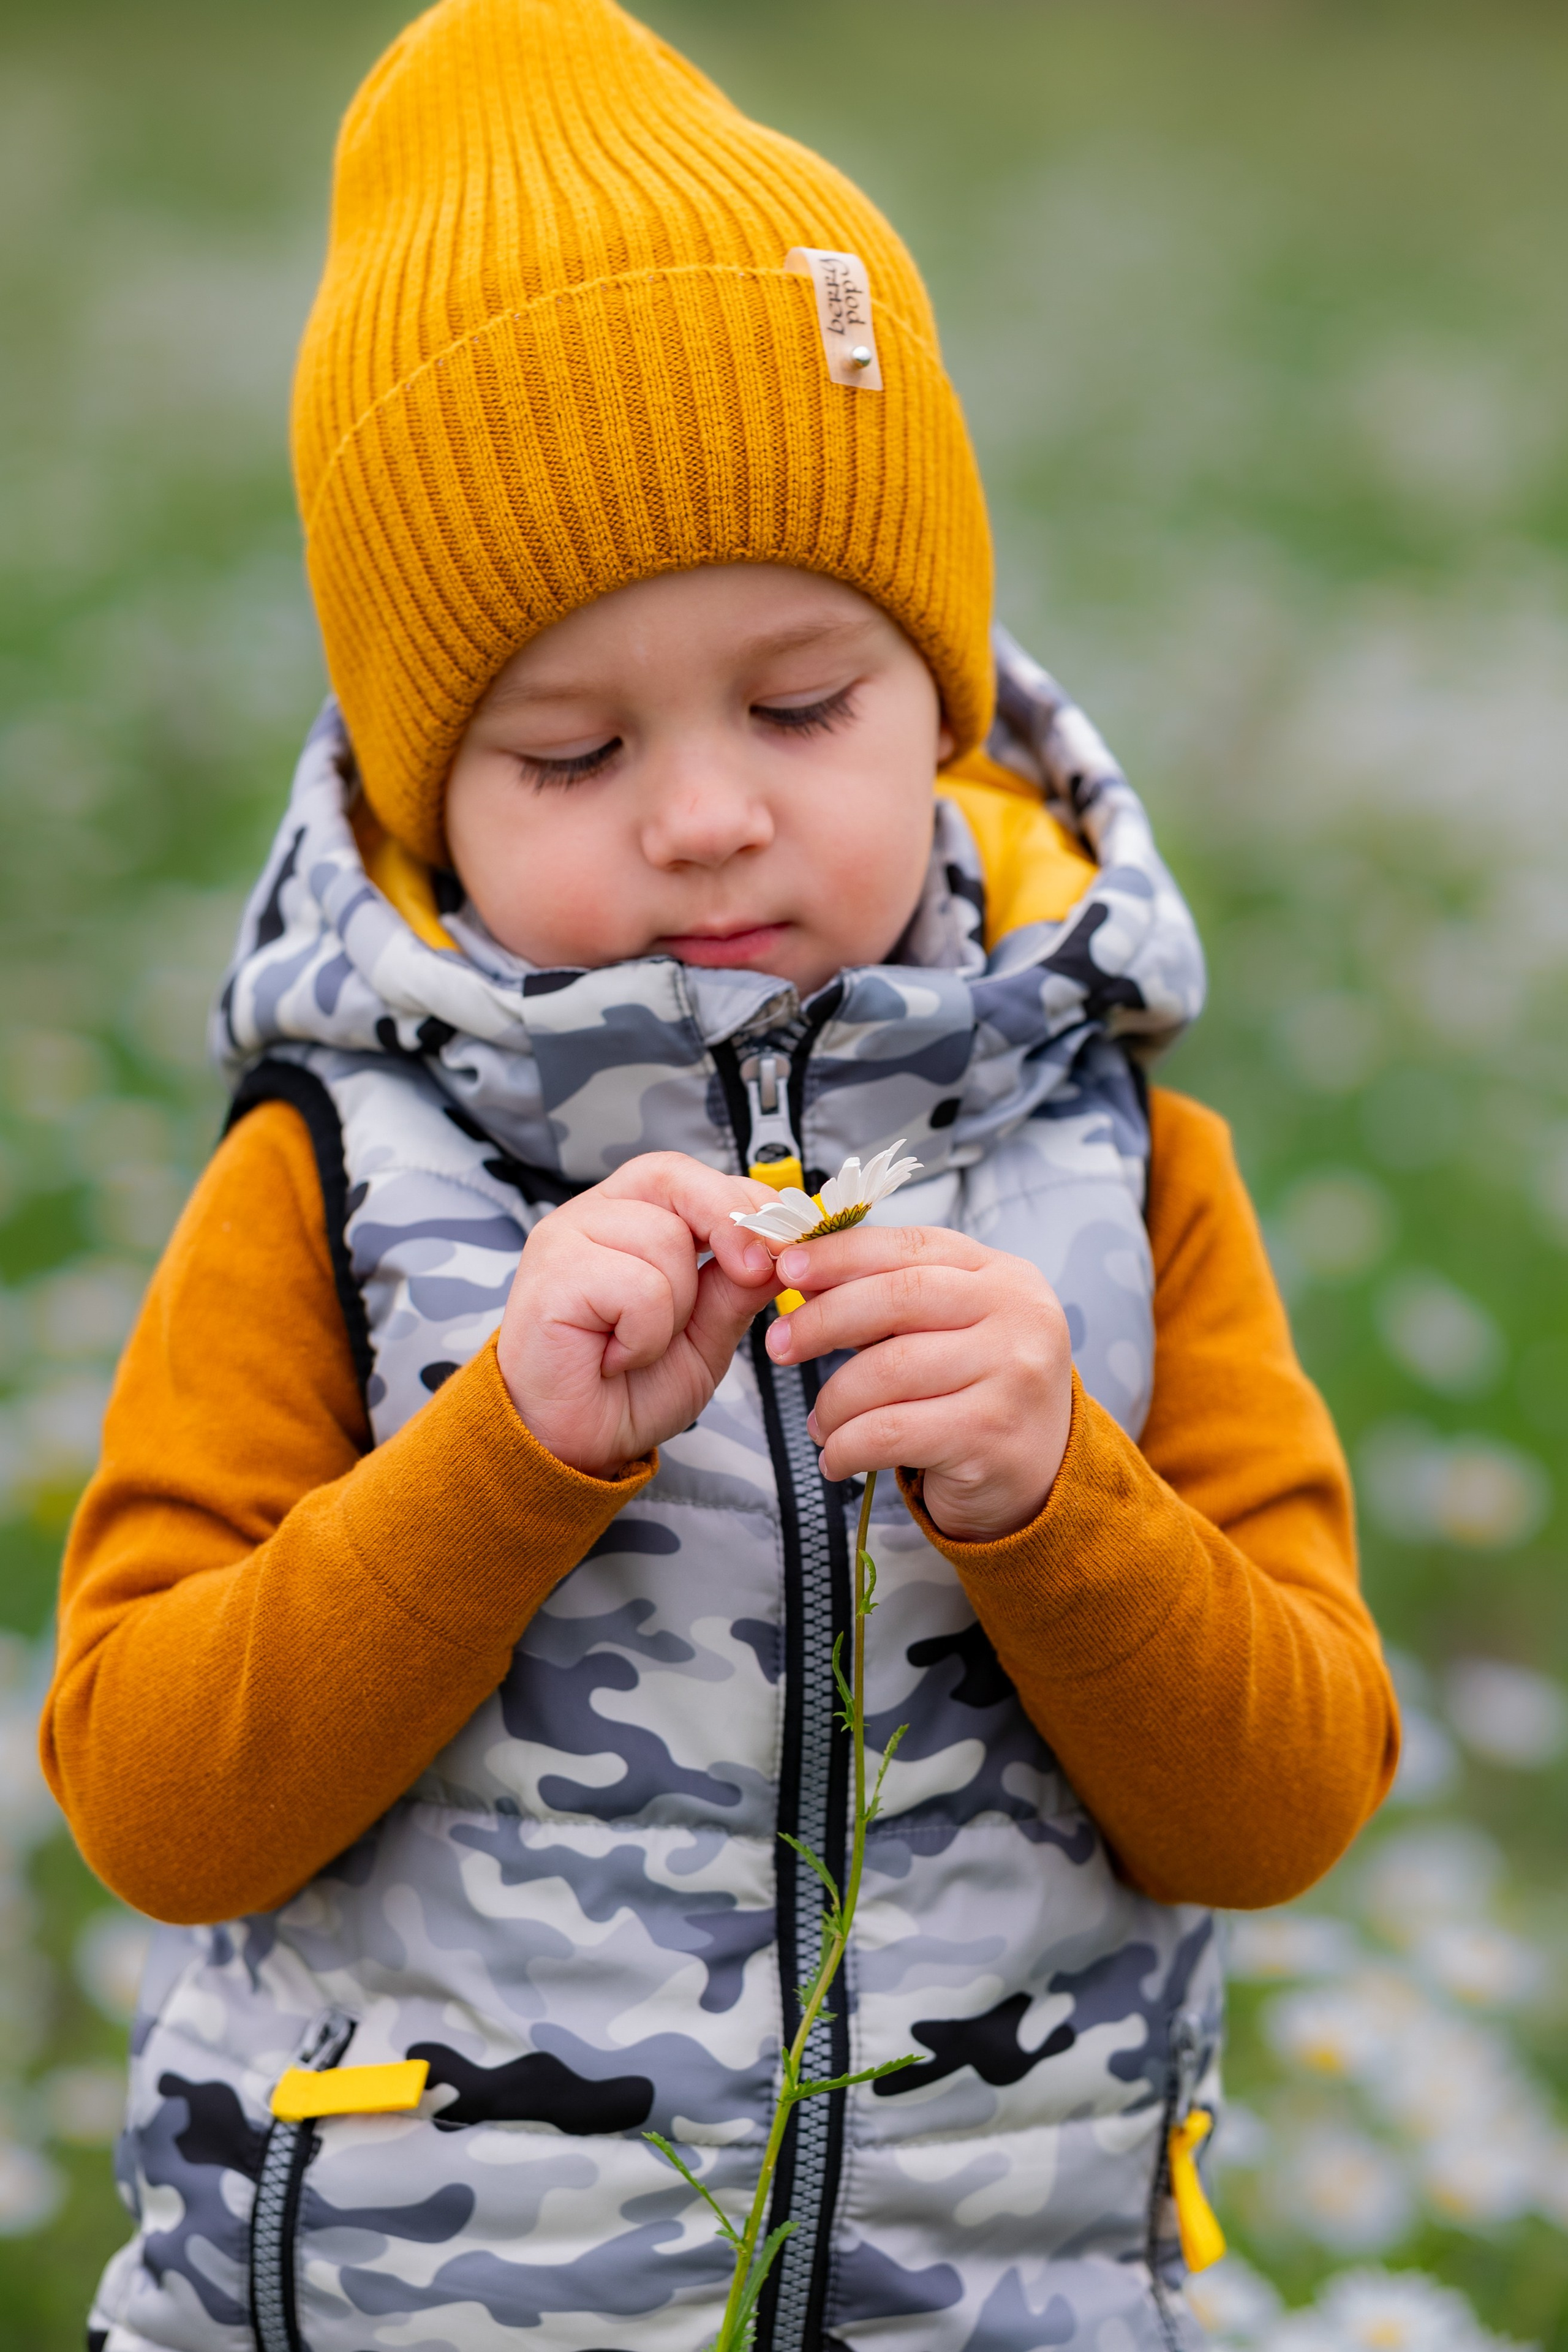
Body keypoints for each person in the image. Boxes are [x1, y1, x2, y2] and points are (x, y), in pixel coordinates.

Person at [41, 2, 1399, 2347]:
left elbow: (1282, 1806)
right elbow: (156, 1806)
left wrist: (1056, 1494)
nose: (703, 816)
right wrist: (504, 1460)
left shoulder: (1119, 1163)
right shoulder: (337, 1181)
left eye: (800, 707)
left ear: (945, 698)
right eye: (567, 749)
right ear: (417, 807)